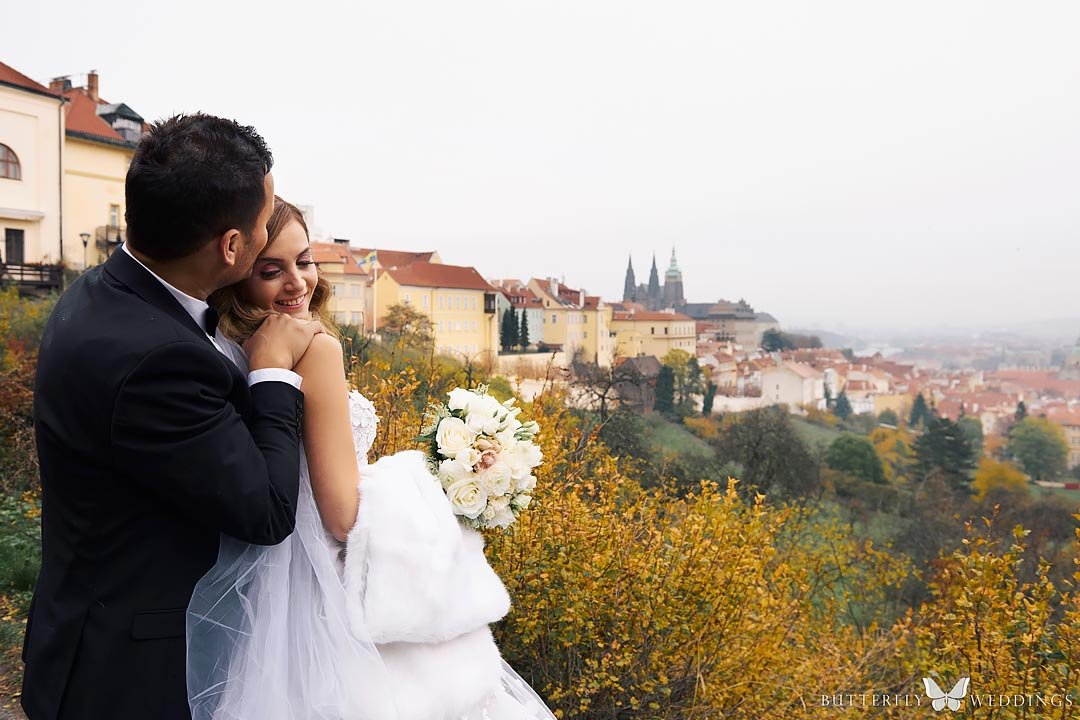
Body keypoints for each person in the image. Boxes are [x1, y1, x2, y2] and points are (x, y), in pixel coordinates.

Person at [187, 197, 556, 720]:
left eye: (305, 261)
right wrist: (429, 482)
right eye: (271, 270)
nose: (297, 283)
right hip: (328, 592)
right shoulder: (315, 349)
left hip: (270, 595)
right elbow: (342, 516)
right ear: (238, 273)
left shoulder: (219, 343)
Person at [24, 114, 323, 720]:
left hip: (86, 630)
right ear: (232, 247)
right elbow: (265, 511)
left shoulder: (103, 292)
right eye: (263, 226)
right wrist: (269, 373)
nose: (269, 234)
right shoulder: (158, 360)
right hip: (127, 676)